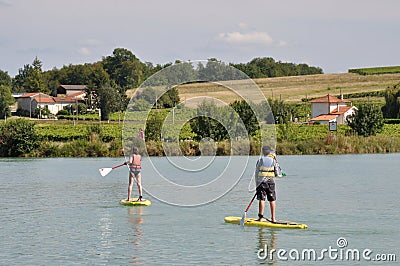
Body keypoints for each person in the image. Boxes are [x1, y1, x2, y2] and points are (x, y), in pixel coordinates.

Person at [254, 145, 278, 222]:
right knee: (272, 199)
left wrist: (256, 184)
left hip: (261, 182)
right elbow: (276, 173)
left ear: (262, 152)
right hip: (271, 182)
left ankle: (260, 218)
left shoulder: (260, 160)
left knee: (262, 199)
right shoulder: (273, 160)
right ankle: (273, 218)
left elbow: (256, 172)